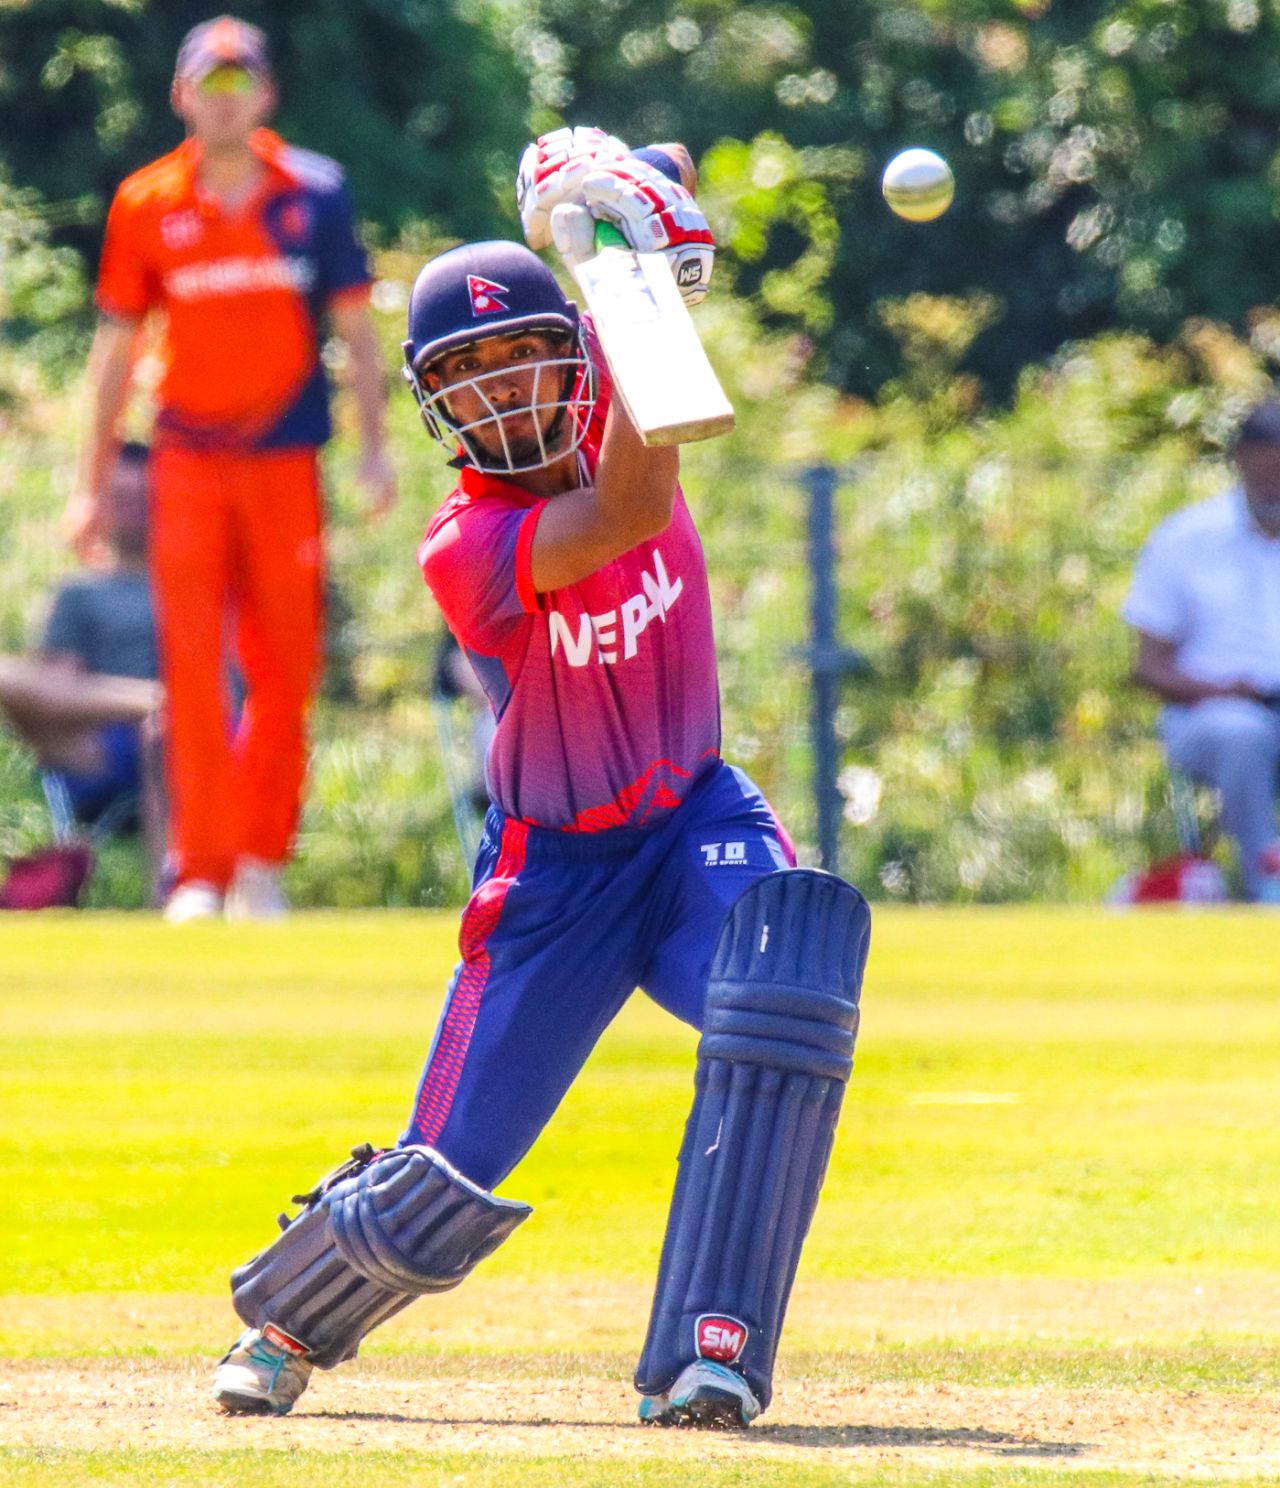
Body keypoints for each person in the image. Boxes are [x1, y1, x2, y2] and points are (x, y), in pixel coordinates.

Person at [210, 127, 870, 1429]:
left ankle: (713, 1347)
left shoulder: (624, 410)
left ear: (571, 351)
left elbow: (661, 174)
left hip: (692, 821)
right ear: (432, 403)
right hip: (551, 881)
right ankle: (291, 1317)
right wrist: (646, 291)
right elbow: (626, 513)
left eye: (519, 352)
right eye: (465, 372)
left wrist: (627, 193)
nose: (499, 388)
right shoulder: (467, 542)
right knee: (442, 1179)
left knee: (784, 990)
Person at [65, 15, 396, 924]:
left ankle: (260, 862)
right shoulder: (145, 202)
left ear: (265, 94)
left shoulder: (315, 193)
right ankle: (201, 871)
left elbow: (357, 333)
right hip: (187, 465)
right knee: (191, 669)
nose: (222, 99)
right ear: (180, 95)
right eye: (207, 83)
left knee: (285, 665)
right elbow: (116, 350)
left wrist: (374, 450)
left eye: (238, 82)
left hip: (287, 461)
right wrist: (90, 484)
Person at [1126, 398, 1280, 901]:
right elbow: (1147, 667)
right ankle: (1267, 891)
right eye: (1266, 468)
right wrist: (1223, 691)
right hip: (1210, 717)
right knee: (1242, 733)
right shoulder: (1187, 537)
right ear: (1241, 460)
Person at [0, 442, 164, 881]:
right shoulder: (80, 594)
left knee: (163, 735)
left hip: (198, 739)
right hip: (102, 747)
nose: (132, 508)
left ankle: (170, 898)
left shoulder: (201, 583)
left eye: (143, 496)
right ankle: (157, 702)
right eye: (121, 497)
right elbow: (56, 694)